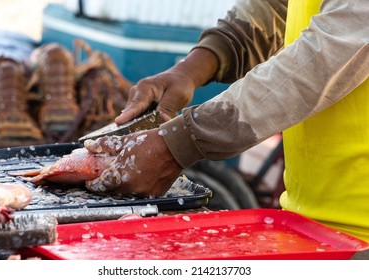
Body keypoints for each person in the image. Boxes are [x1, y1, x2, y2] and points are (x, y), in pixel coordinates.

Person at [84, 0, 369, 244]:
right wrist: (191, 68)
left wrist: (180, 142)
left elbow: (330, 51)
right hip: (313, 222)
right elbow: (277, 8)